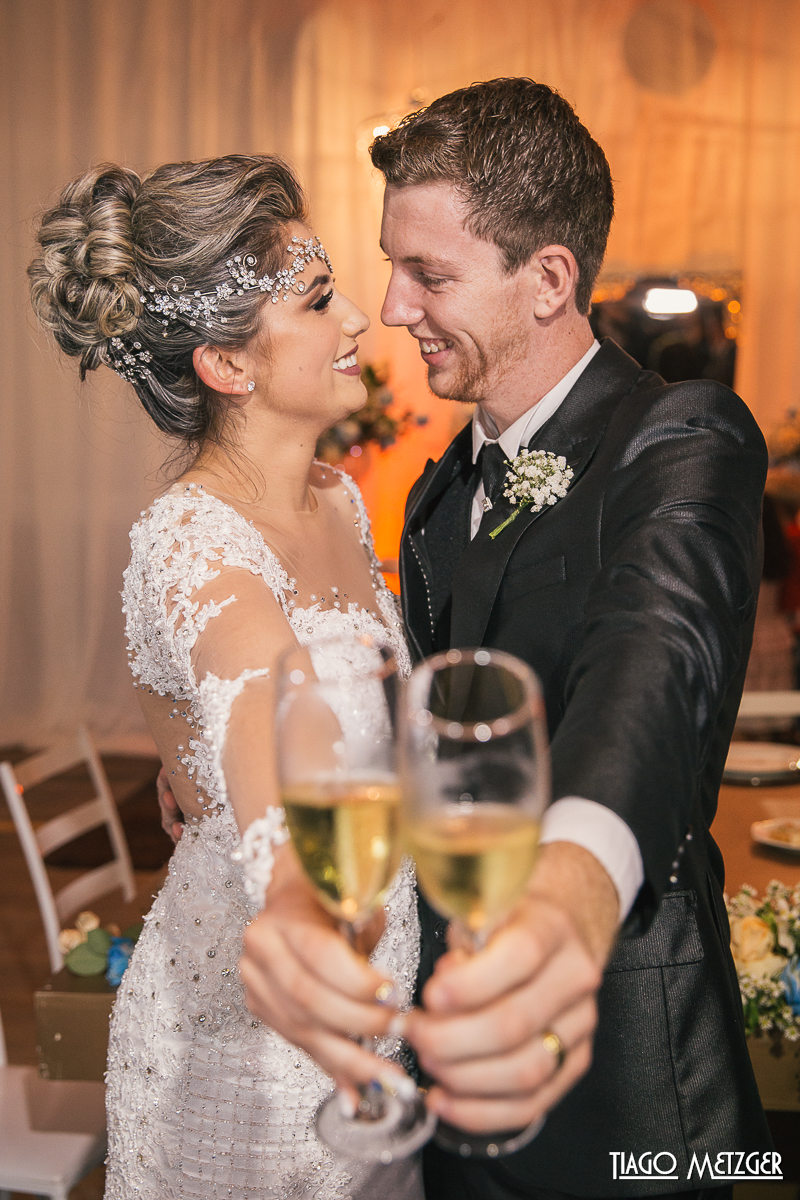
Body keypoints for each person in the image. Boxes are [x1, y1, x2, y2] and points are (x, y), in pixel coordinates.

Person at [240, 79, 772, 1200]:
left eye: (429, 275)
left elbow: (653, 664)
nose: (391, 308)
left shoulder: (677, 436)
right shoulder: (437, 494)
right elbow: (427, 728)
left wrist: (565, 902)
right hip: (445, 1060)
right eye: (394, 267)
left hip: (626, 1069)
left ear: (547, 280)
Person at [28, 155, 424, 1200]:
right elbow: (264, 690)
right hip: (247, 1048)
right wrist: (295, 887)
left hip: (372, 1018)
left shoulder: (340, 500)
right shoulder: (187, 538)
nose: (356, 325)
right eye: (319, 299)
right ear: (227, 365)